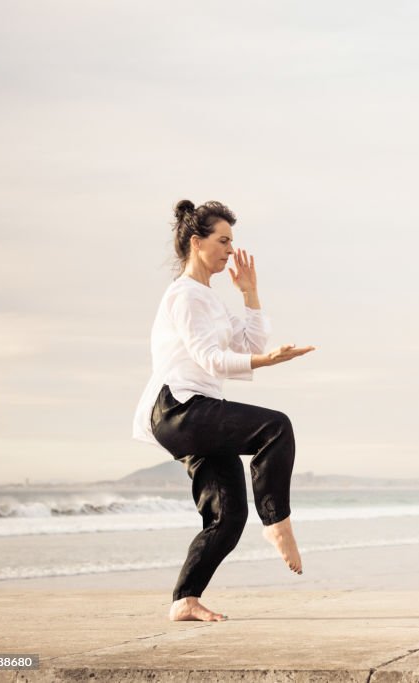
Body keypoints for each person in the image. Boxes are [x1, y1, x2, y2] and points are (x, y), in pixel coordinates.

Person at [131, 199, 315, 622]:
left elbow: (248, 343)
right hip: (179, 406)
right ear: (196, 242)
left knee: (228, 516)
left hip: (199, 412)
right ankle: (279, 521)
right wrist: (266, 362)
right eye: (223, 240)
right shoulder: (184, 296)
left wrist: (250, 294)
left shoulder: (209, 299)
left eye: (233, 241)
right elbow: (213, 359)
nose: (231, 249)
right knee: (275, 427)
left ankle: (185, 599)